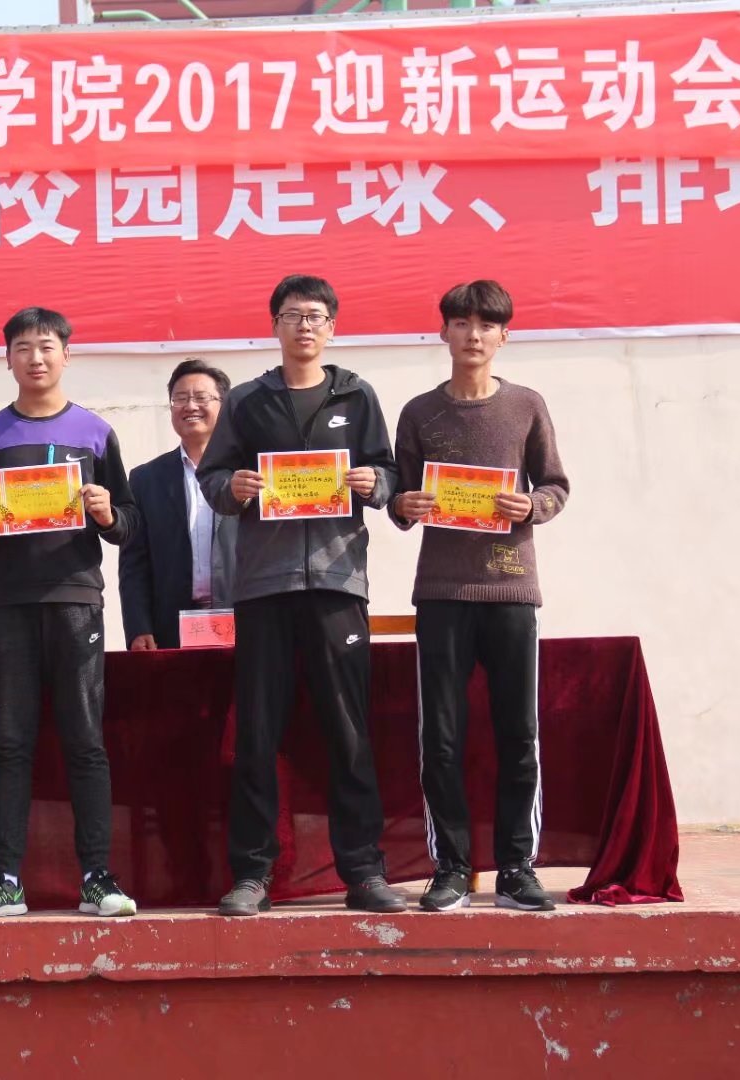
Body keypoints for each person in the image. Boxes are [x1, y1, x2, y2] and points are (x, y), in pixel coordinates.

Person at [197, 274, 403, 917]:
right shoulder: (248, 400)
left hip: (338, 583)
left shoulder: (357, 396)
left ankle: (363, 871)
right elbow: (213, 476)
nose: (304, 326)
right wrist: (232, 488)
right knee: (258, 734)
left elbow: (390, 472)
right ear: (275, 325)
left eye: (315, 316)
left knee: (349, 732)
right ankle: (252, 874)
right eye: (292, 315)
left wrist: (375, 483)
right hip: (264, 584)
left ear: (332, 327)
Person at [0, 307, 140, 919]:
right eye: (24, 348)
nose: (36, 358)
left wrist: (107, 512)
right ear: (7, 359)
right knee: (10, 743)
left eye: (47, 346)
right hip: (8, 605)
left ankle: (98, 879)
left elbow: (128, 525)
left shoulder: (95, 432)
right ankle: (5, 880)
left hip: (76, 600)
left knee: (85, 741)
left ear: (66, 355)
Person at [389, 280, 570, 914]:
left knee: (519, 733)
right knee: (441, 737)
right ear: (443, 332)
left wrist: (534, 505)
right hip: (441, 592)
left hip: (511, 589)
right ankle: (451, 867)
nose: (473, 335)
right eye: (461, 323)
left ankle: (517, 868)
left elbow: (555, 485)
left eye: (486, 325)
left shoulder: (526, 405)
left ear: (504, 336)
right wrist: (404, 503)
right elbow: (397, 498)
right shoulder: (419, 412)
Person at [120, 359, 237, 650]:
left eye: (201, 397)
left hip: (242, 621)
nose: (190, 406)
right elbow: (134, 564)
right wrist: (138, 627)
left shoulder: (246, 474)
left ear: (224, 406)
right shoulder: (146, 478)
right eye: (180, 398)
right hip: (171, 625)